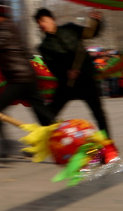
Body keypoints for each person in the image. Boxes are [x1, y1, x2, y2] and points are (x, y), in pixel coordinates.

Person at [0, 0, 54, 159]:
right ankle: (60, 137)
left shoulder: (5, 30)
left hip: (19, 79)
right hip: (26, 77)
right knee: (42, 113)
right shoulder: (7, 27)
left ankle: (5, 149)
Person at [34, 8, 111, 136]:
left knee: (98, 112)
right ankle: (38, 143)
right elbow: (52, 67)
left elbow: (90, 33)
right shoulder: (44, 46)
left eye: (43, 20)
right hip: (67, 84)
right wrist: (65, 73)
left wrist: (96, 21)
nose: (41, 24)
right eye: (38, 22)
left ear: (52, 19)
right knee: (49, 113)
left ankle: (108, 142)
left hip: (86, 78)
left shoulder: (70, 28)